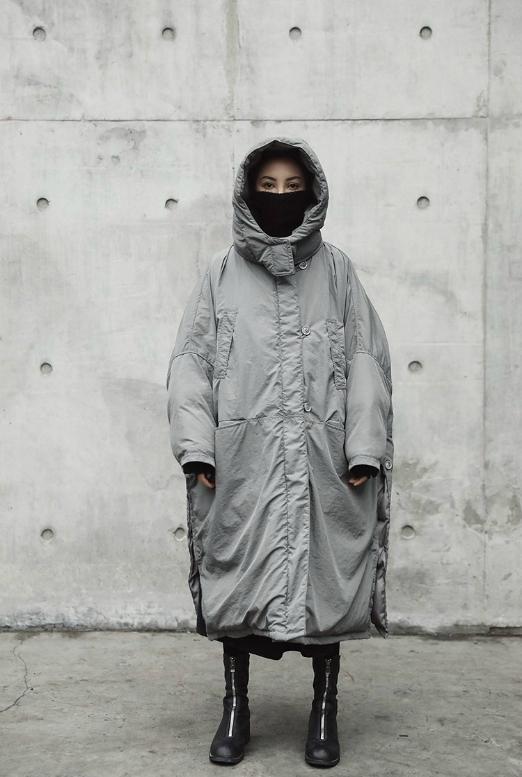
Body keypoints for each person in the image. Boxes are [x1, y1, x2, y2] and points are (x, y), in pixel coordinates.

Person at [166, 136, 394, 768]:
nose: (280, 197)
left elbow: (366, 360)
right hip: (243, 461)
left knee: (323, 581)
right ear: (248, 193)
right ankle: (235, 707)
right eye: (268, 187)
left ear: (312, 194)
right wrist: (196, 448)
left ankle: (325, 709)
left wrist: (364, 448)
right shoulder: (219, 275)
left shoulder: (338, 271)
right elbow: (190, 363)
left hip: (324, 460)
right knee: (237, 579)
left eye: (293, 187)